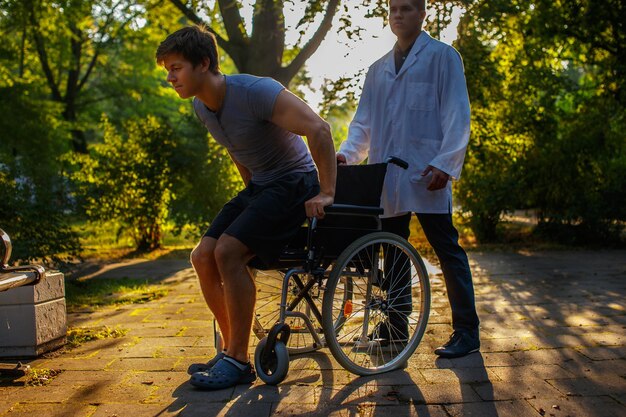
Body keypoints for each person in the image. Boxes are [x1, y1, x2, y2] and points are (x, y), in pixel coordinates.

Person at [156, 25, 336, 390]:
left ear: (203, 63)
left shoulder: (257, 92)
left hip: (295, 182)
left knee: (229, 252)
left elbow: (319, 129)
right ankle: (229, 350)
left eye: (176, 68)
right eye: (168, 70)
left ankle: (238, 361)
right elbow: (236, 149)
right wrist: (250, 203)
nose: (171, 77)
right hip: (262, 186)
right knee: (202, 255)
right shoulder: (201, 107)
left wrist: (327, 192)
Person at [337, 0, 480, 358]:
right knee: (392, 251)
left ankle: (467, 332)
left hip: (427, 171)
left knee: (447, 249)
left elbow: (457, 114)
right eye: (393, 9)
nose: (398, 15)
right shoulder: (377, 69)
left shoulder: (443, 58)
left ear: (423, 14)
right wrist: (346, 154)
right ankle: (396, 327)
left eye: (406, 8)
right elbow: (363, 124)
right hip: (387, 175)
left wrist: (446, 164)